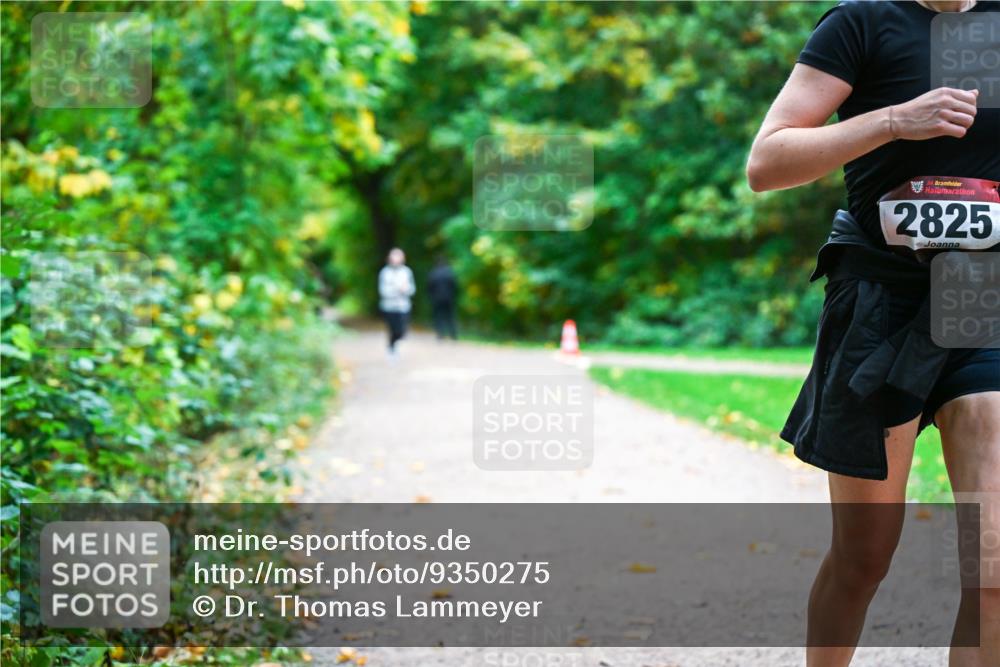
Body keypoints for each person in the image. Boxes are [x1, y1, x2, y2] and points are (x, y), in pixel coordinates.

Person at [747, 1, 999, 665]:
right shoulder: (861, 23)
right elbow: (766, 163)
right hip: (879, 299)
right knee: (864, 557)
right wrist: (893, 121)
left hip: (981, 297)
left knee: (995, 563)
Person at [378, 248, 415, 356]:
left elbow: (412, 289)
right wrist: (397, 290)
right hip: (389, 307)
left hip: (403, 306)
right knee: (392, 329)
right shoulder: (385, 272)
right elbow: (383, 291)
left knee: (402, 331)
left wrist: (405, 290)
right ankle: (391, 347)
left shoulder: (406, 272)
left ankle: (394, 344)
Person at [427, 255, 459, 340]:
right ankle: (453, 335)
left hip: (436, 299)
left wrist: (431, 296)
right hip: (449, 298)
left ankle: (440, 334)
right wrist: (453, 295)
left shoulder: (433, 273)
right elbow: (455, 286)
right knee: (450, 316)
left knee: (438, 316)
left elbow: (429, 287)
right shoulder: (450, 272)